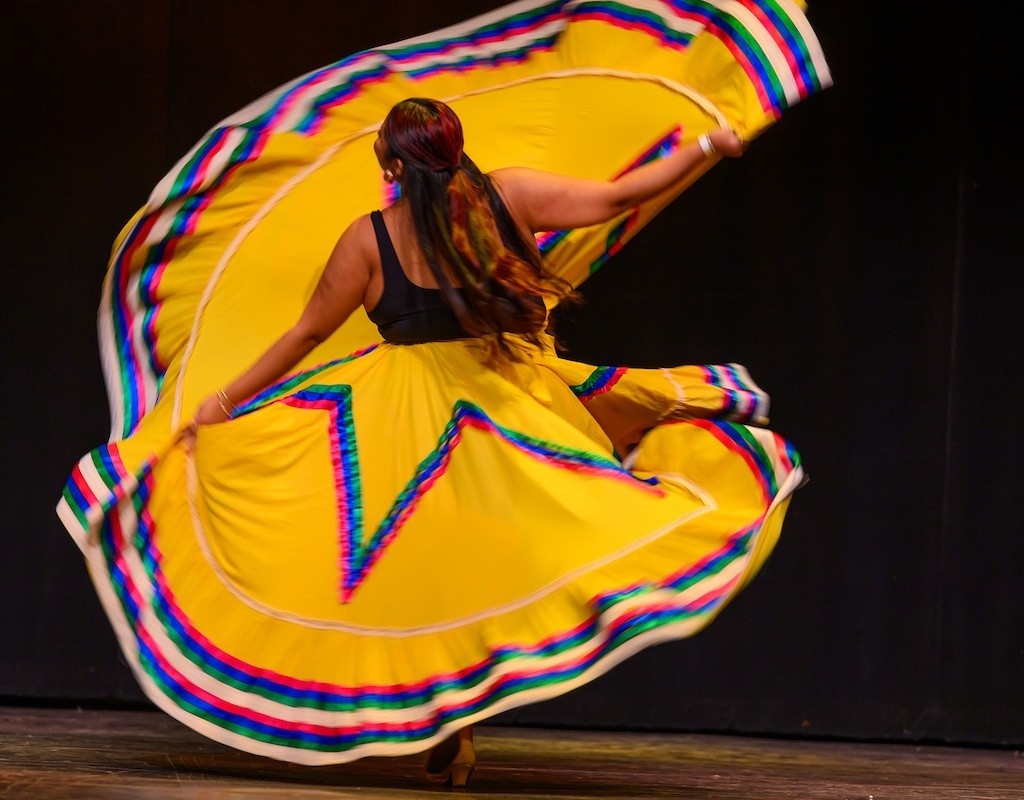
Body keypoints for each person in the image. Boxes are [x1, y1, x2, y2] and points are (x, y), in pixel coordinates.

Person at [182, 97, 747, 787]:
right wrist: (707, 146)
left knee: (424, 575)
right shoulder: (507, 195)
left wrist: (224, 402)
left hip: (408, 427)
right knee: (510, 552)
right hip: (503, 410)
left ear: (392, 166)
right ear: (454, 149)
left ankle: (454, 721)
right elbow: (618, 197)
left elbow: (306, 334)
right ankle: (460, 721)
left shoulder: (370, 239)